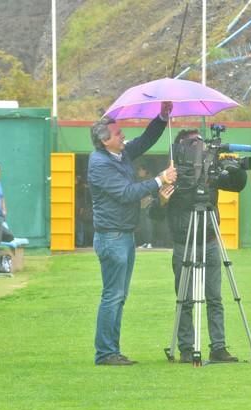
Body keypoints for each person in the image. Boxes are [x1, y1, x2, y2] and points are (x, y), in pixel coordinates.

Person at [88, 101, 177, 366]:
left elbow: (146, 139)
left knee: (118, 296)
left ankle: (111, 351)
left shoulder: (120, 154)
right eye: (117, 134)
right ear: (105, 142)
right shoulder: (99, 164)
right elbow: (127, 194)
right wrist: (160, 180)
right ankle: (105, 353)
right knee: (113, 296)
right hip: (112, 237)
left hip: (123, 235)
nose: (123, 135)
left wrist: (162, 116)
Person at [152, 129, 247, 363]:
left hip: (210, 240)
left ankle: (218, 347)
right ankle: (186, 348)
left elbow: (236, 185)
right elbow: (153, 213)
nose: (200, 148)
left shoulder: (209, 173)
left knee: (215, 297)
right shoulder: (173, 175)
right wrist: (162, 200)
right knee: (184, 299)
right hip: (185, 242)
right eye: (194, 144)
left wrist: (234, 168)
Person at [136, 165, 154, 248]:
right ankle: (145, 242)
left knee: (148, 224)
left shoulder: (150, 179)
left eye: (140, 170)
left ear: (145, 170)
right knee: (143, 224)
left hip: (149, 205)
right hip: (142, 205)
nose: (138, 172)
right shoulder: (140, 180)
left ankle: (149, 242)